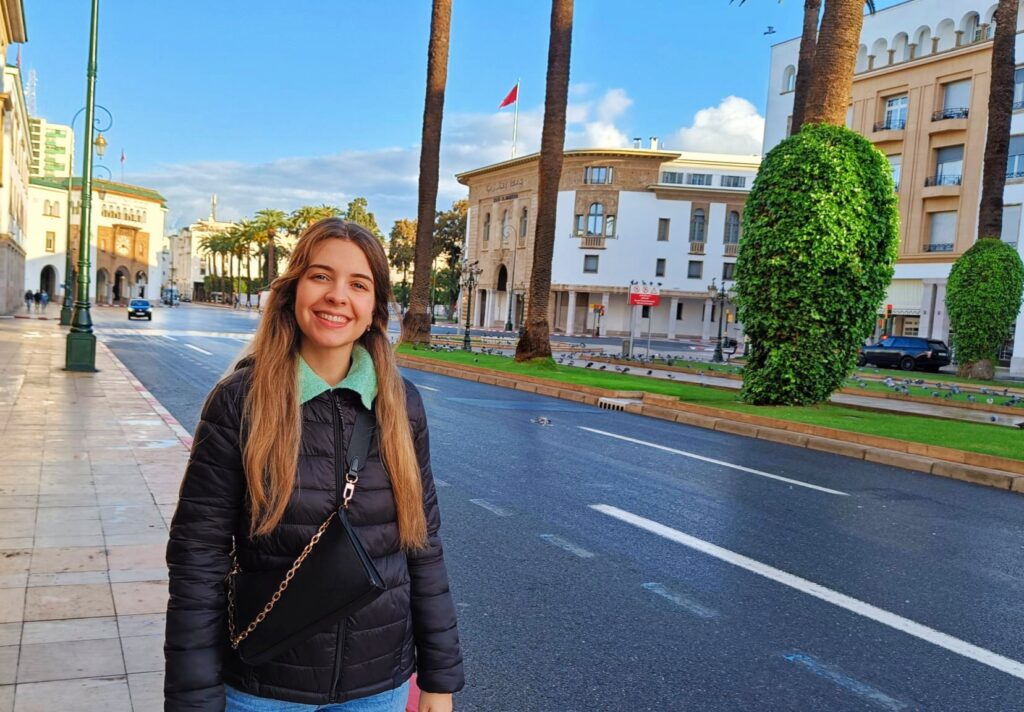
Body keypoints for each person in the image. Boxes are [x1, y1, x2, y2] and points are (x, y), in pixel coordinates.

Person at [165, 219, 463, 712]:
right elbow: (198, 558)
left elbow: (423, 545)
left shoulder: (401, 405)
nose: (337, 296)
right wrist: (194, 698)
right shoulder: (240, 402)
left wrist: (439, 677)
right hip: (263, 687)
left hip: (377, 688)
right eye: (321, 276)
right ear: (293, 290)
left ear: (374, 309)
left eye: (358, 284)